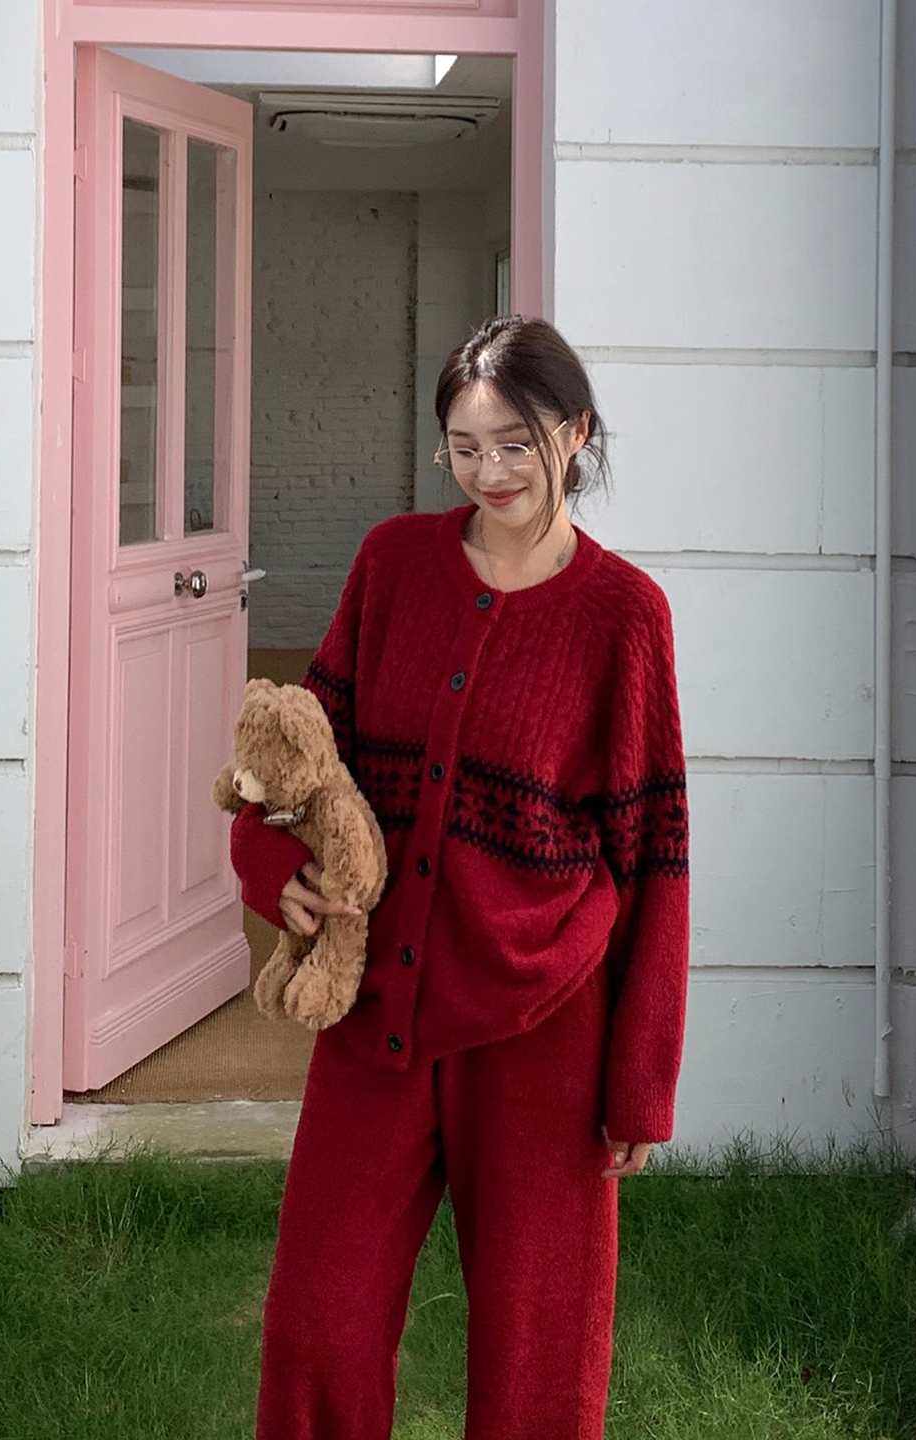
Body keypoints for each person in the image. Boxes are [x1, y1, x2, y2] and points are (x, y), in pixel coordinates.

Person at [229, 313, 690, 1440]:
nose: (490, 473)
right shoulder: (393, 565)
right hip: (377, 1008)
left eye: (516, 445)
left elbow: (654, 854)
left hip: (543, 1030)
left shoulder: (625, 617)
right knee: (315, 1330)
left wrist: (641, 1081)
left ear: (575, 436)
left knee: (539, 1365)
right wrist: (269, 866)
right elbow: (295, 752)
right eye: (465, 448)